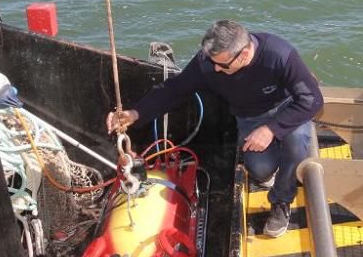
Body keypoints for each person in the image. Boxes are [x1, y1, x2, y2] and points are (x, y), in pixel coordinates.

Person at [106, 20, 323, 238]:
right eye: (213, 62)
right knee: (260, 171)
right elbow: (173, 90)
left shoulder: (279, 54)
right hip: (250, 117)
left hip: (287, 107)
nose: (216, 69)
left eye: (223, 65)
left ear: (245, 54)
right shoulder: (208, 62)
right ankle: (272, 168)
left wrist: (271, 129)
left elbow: (312, 100)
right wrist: (135, 114)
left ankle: (281, 200)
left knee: (295, 143)